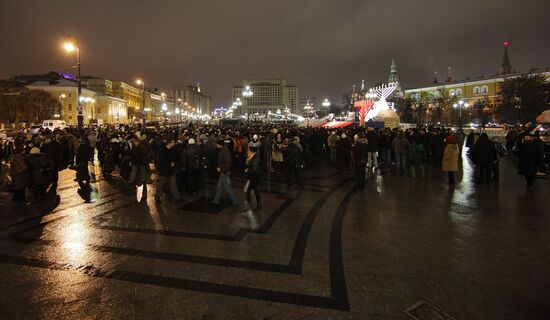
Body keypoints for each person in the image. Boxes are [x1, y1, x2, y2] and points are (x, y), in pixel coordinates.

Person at [213, 140, 239, 205]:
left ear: (220, 145)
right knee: (220, 186)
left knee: (227, 187)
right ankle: (216, 200)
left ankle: (234, 200)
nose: (215, 145)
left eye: (216, 144)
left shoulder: (224, 151)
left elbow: (228, 162)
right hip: (224, 171)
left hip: (224, 172)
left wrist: (222, 170)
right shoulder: (222, 150)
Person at [243, 146, 262, 211]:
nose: (247, 151)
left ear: (252, 151)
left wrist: (247, 170)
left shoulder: (255, 159)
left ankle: (255, 206)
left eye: (248, 150)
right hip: (253, 177)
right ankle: (257, 205)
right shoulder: (252, 157)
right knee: (253, 191)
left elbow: (254, 169)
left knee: (254, 191)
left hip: (255, 177)